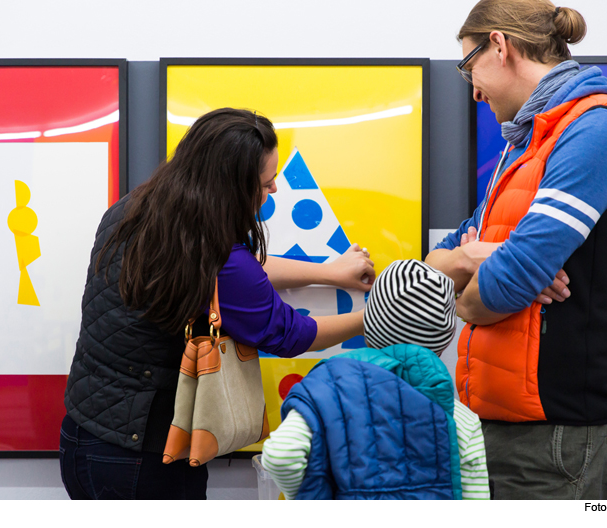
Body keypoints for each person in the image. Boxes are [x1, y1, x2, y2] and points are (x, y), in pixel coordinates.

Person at [58, 108, 375, 500]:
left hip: (80, 437)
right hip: (144, 460)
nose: (274, 189)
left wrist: (328, 273)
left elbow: (230, 273)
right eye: (265, 182)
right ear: (229, 187)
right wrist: (371, 317)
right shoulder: (217, 256)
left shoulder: (136, 209)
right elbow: (290, 334)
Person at [426, 0, 607, 500]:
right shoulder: (527, 144)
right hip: (496, 425)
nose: (472, 88)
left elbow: (510, 278)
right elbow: (435, 265)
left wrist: (471, 297)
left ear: (501, 46)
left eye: (469, 66)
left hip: (558, 436)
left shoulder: (596, 130)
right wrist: (474, 258)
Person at [262, 260, 490, 500]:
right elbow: (476, 497)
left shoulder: (327, 394)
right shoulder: (460, 419)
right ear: (442, 346)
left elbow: (281, 455)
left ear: (368, 326)